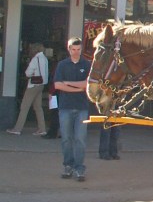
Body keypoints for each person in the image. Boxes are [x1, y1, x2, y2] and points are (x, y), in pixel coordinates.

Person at [54, 37, 91, 181]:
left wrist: (68, 84)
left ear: (81, 49)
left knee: (80, 139)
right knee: (66, 139)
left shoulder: (87, 64)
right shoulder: (62, 65)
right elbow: (57, 85)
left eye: (78, 50)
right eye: (73, 49)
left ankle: (79, 168)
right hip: (65, 107)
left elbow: (88, 84)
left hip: (82, 107)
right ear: (68, 49)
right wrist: (78, 88)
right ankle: (68, 166)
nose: (76, 52)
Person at [6, 42, 48, 136]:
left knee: (24, 107)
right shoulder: (44, 59)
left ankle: (17, 128)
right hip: (41, 85)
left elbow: (28, 73)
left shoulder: (35, 59)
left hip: (33, 85)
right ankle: (42, 129)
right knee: (38, 107)